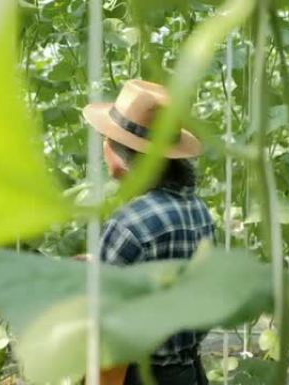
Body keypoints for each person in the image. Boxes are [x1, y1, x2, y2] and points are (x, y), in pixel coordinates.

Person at [82, 79, 215, 385]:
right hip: (188, 373)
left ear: (118, 155)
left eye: (105, 138)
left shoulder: (129, 225)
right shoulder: (196, 210)